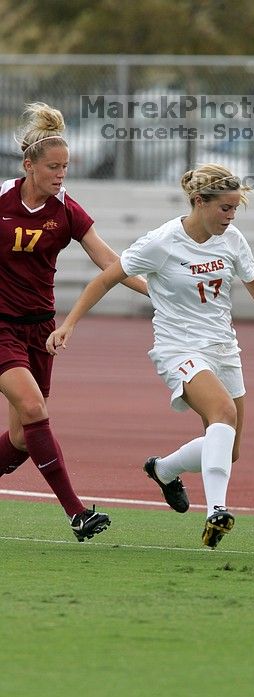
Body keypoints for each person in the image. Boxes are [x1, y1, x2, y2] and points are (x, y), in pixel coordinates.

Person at [46, 163, 254, 549]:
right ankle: (217, 511)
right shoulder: (163, 241)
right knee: (222, 413)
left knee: (232, 450)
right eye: (224, 208)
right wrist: (69, 323)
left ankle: (163, 469)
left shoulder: (233, 241)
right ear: (199, 201)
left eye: (235, 209)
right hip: (178, 348)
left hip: (224, 349)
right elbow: (106, 277)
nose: (230, 217)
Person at [0, 102, 148, 541]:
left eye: (66, 167)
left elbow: (110, 262)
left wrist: (157, 293)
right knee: (34, 408)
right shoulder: (1, 199)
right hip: (1, 325)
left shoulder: (66, 210)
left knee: (24, 437)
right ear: (29, 166)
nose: (61, 174)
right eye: (53, 167)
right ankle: (77, 513)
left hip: (41, 329)